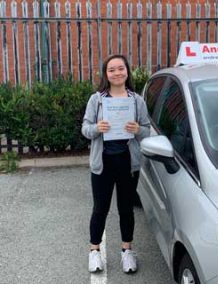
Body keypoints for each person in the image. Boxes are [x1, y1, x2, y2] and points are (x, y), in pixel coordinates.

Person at [81, 54, 150, 273]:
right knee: (100, 209)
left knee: (126, 209)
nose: (117, 73)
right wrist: (96, 129)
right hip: (103, 163)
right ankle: (94, 251)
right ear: (106, 74)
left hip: (128, 163)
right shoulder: (97, 100)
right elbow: (85, 128)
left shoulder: (137, 100)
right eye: (112, 70)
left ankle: (127, 251)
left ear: (127, 71)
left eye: (121, 68)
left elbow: (147, 131)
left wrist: (138, 130)